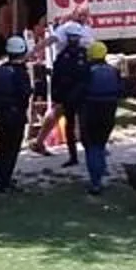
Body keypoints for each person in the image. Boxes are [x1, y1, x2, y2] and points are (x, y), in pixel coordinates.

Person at [77, 39, 126, 195]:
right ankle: (102, 171)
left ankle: (95, 182)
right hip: (109, 112)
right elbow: (121, 91)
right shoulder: (114, 71)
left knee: (91, 146)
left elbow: (79, 91)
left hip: (90, 111)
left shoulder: (86, 71)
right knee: (101, 144)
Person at [0, 33, 32, 189]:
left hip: (0, 114)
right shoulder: (21, 73)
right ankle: (6, 178)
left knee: (3, 146)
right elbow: (24, 93)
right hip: (16, 114)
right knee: (13, 148)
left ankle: (3, 179)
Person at [47, 21, 90, 164]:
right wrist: (56, 97)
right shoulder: (66, 55)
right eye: (72, 37)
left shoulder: (84, 54)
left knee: (82, 127)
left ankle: (88, 154)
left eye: (75, 37)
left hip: (79, 97)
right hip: (70, 97)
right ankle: (74, 156)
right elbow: (56, 77)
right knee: (71, 127)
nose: (74, 39)